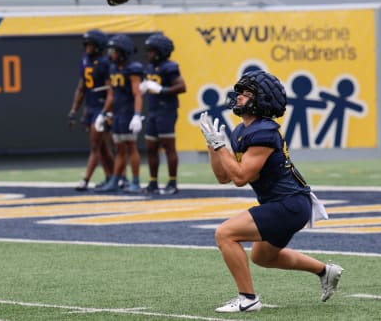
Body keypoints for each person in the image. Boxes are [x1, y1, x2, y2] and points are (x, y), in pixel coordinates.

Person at [199, 70, 343, 313]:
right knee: (262, 257)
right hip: (284, 203)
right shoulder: (242, 131)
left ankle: (248, 298)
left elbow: (240, 178)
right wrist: (213, 148)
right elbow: (224, 177)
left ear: (261, 100)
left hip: (288, 203)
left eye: (246, 94)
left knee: (225, 234)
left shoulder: (263, 131)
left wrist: (221, 147)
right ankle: (324, 271)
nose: (239, 97)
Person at [94, 34, 144, 193]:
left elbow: (137, 93)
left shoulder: (133, 68)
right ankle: (116, 179)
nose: (111, 54)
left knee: (131, 147)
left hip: (129, 112)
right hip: (117, 113)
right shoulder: (113, 68)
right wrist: (103, 113)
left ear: (123, 52)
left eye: (114, 51)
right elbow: (111, 94)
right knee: (119, 149)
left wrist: (137, 114)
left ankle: (135, 181)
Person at [139, 33, 187, 195]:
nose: (149, 54)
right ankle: (153, 182)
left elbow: (182, 87)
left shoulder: (170, 67)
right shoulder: (150, 68)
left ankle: (172, 182)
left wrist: (162, 90)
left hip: (166, 111)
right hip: (153, 111)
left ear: (161, 51)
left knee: (168, 148)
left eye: (152, 51)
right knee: (151, 147)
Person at [67, 29, 114, 191]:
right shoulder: (85, 60)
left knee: (96, 145)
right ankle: (112, 177)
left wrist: (105, 112)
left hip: (102, 105)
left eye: (91, 44)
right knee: (101, 147)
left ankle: (86, 179)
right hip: (91, 105)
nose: (87, 47)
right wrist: (74, 110)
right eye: (86, 44)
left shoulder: (105, 63)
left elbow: (110, 91)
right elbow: (81, 88)